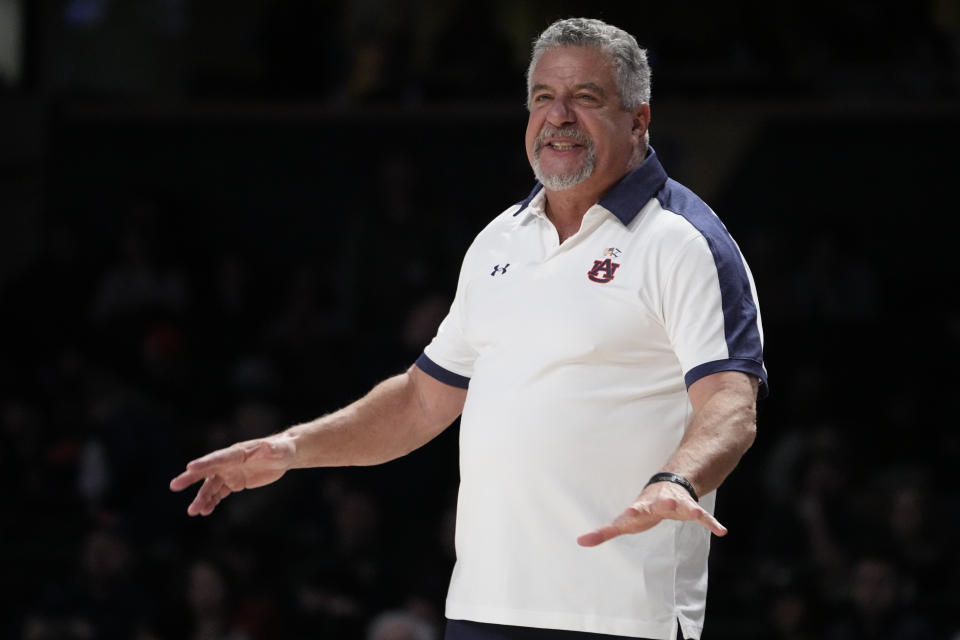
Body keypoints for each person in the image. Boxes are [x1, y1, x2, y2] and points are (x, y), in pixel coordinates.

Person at [170, 17, 767, 640]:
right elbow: (422, 399)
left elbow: (730, 402)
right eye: (543, 98)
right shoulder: (499, 240)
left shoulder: (683, 241)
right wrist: (293, 450)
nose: (558, 116)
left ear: (639, 119)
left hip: (619, 614)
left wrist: (677, 479)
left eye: (585, 99)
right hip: (486, 610)